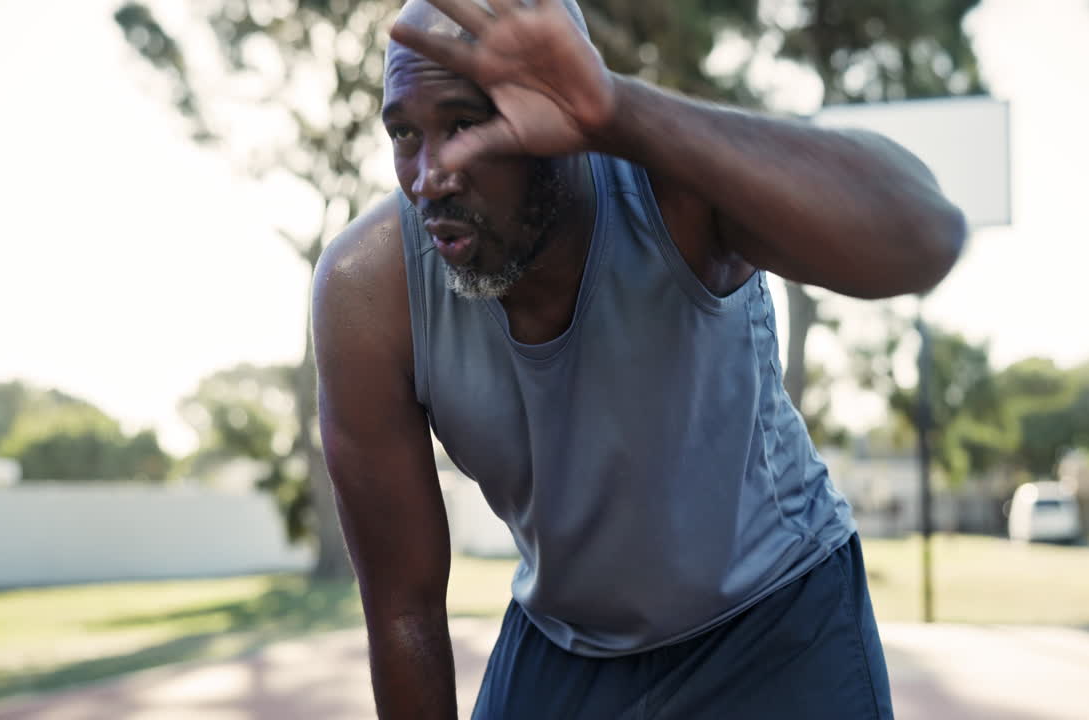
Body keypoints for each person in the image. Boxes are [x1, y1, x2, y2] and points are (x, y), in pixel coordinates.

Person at [311, 1, 965, 717]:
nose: (430, 176)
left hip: (774, 618)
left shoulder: (674, 192)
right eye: (405, 133)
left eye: (466, 124)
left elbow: (926, 236)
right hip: (565, 640)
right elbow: (403, 609)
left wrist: (617, 108)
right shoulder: (368, 292)